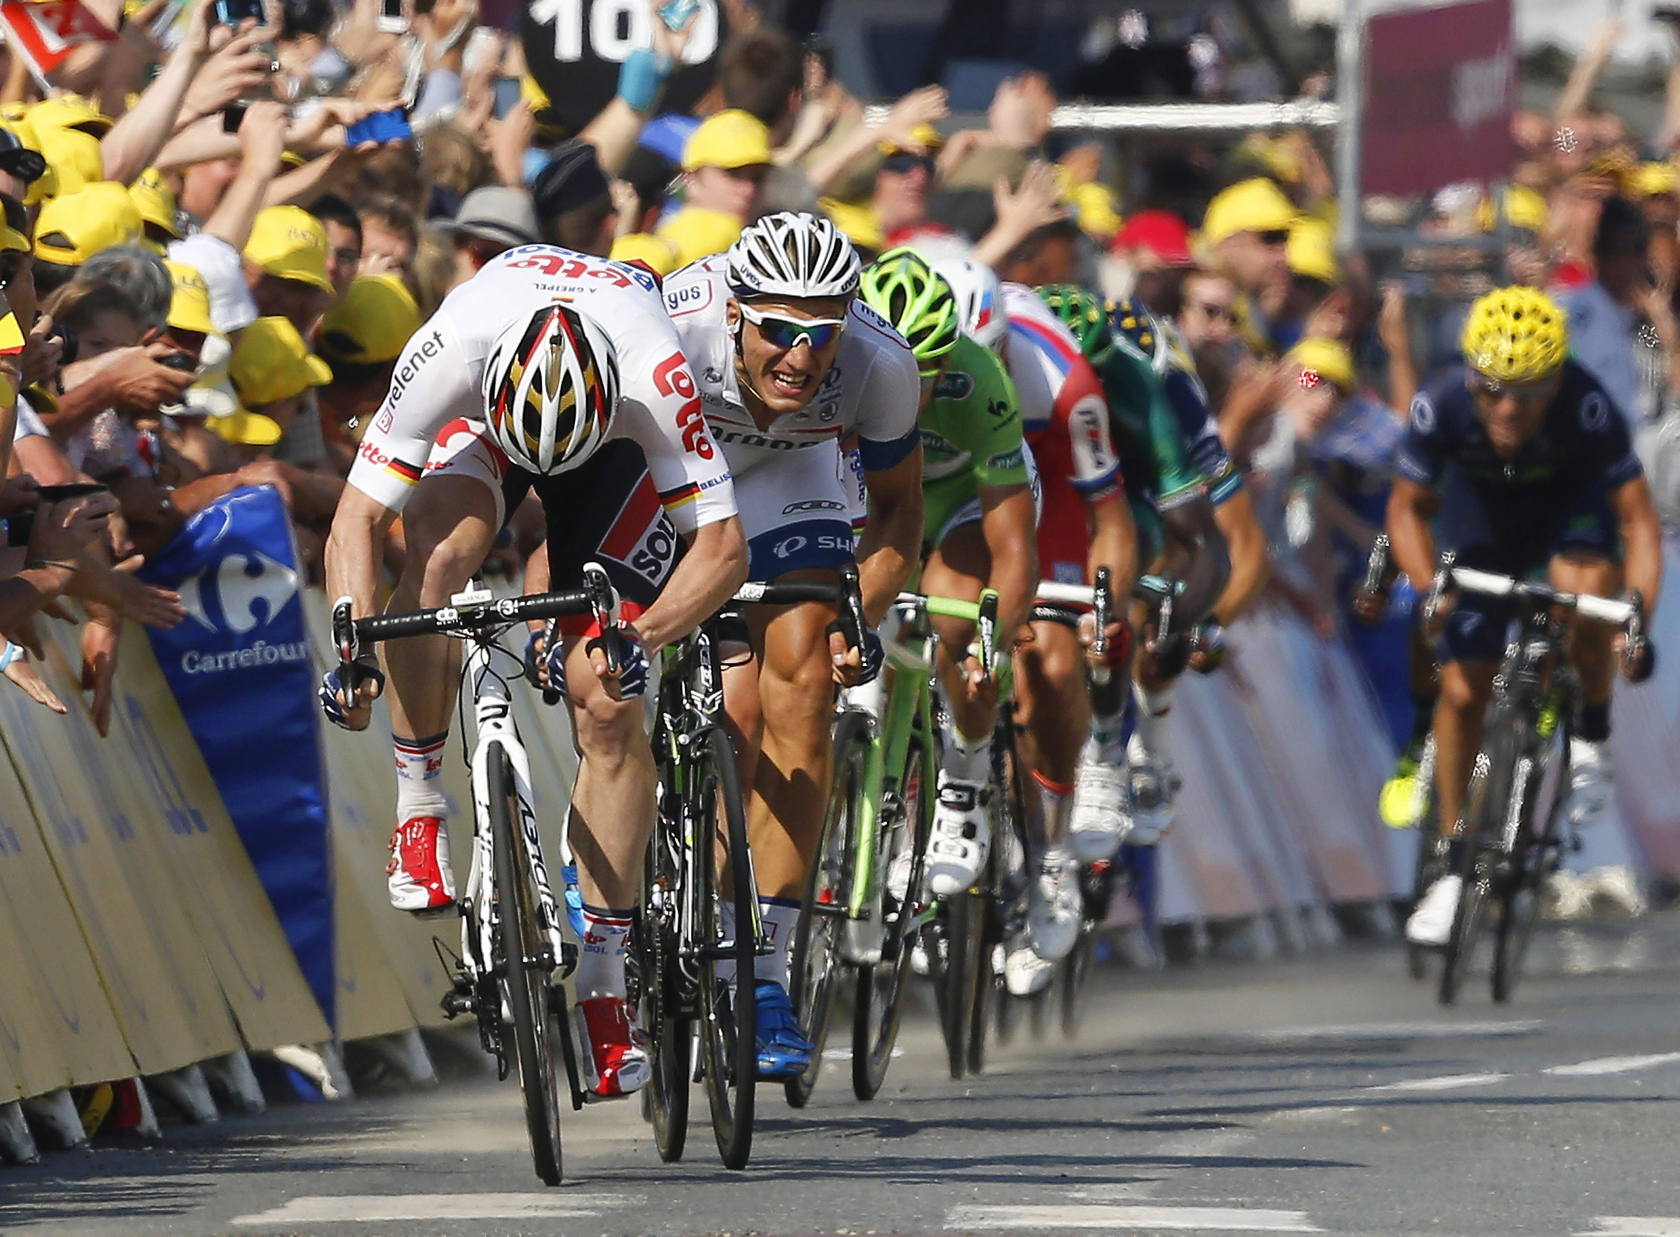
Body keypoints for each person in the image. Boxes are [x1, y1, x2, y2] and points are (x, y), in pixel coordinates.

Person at [321, 243, 748, 1099]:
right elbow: (354, 525)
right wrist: (352, 650)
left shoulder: (651, 372)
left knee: (607, 699)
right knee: (438, 562)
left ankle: (603, 976)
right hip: (487, 428)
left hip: (610, 448)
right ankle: (419, 810)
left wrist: (645, 634)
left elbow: (724, 547)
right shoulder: (453, 345)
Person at [661, 212, 923, 1077]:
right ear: (736, 311)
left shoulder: (881, 367)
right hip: (675, 478)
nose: (802, 357)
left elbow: (896, 514)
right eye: (780, 328)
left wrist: (864, 615)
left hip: (795, 482)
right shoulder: (673, 325)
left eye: (823, 332)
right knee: (703, 695)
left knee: (805, 681)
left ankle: (764, 970)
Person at [1390, 287, 1662, 947]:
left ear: (1557, 381)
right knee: (1463, 686)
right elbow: (1407, 510)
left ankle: (1591, 735)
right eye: (1492, 391)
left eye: (1529, 392)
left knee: (1589, 587)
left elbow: (1639, 523)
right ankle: (1453, 868)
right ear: (1470, 379)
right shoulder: (1440, 402)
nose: (1507, 408)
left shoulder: (1589, 407)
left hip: (1565, 514)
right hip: (1478, 518)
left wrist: (1636, 620)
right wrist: (1430, 586)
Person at [859, 248, 1038, 899]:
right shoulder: (838, 369)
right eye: (892, 369)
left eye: (924, 372)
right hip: (878, 494)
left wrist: (991, 644)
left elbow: (1014, 545)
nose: (907, 386)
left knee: (950, 615)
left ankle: (963, 771)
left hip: (962, 497)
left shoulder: (979, 379)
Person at [981, 274, 1137, 994]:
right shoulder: (900, 365)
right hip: (951, 463)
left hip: (1048, 476)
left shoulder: (1065, 381)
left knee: (1051, 654)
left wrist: (1101, 616)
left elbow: (1110, 523)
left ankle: (1049, 843)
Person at [657, 110, 772, 267]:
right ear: (691, 179)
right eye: (733, 174)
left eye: (758, 177)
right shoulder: (698, 236)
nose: (748, 189)